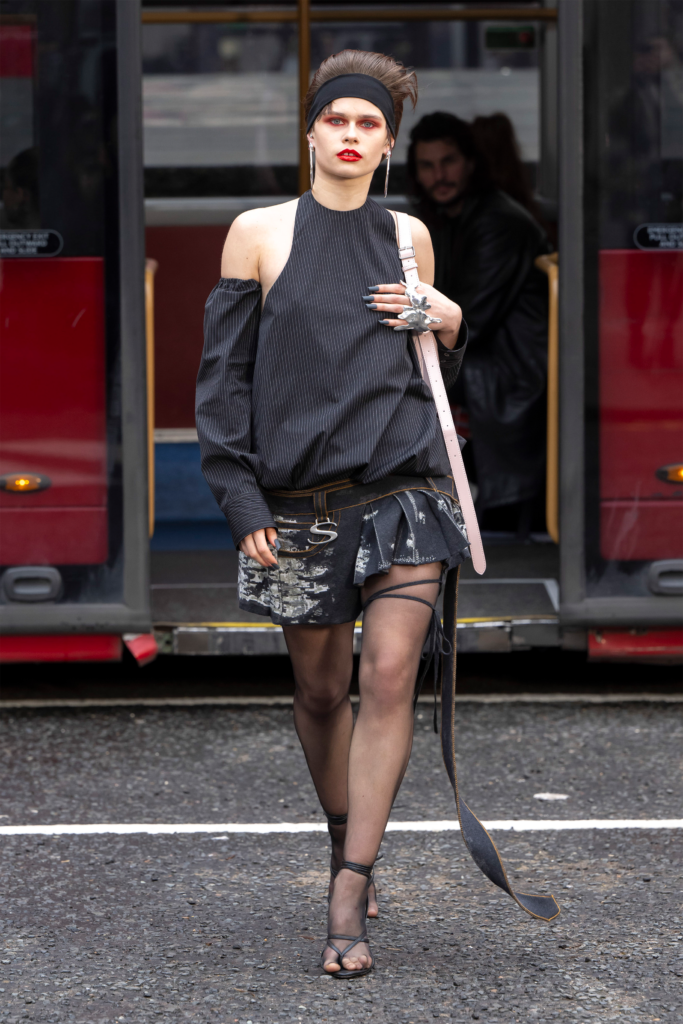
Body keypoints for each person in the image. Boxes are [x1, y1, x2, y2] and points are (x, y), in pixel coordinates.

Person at [197, 50, 472, 978]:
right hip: (296, 504)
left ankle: (349, 890)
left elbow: (431, 369)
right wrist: (238, 500)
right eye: (336, 121)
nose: (351, 137)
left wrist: (449, 318)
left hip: (403, 490)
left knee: (388, 676)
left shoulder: (409, 238)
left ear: (386, 144)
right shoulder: (257, 233)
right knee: (322, 691)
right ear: (310, 133)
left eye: (368, 125)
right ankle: (342, 835)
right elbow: (222, 386)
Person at [408, 112, 550, 536]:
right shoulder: (449, 216)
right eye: (428, 166)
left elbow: (469, 319)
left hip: (510, 372)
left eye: (448, 162)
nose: (440, 175)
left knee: (395, 380)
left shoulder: (496, 222)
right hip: (487, 360)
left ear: (471, 162)